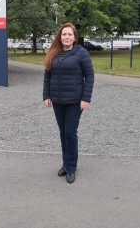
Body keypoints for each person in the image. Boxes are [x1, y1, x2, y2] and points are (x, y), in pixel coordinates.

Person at [43, 22, 94, 184]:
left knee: (70, 133)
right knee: (63, 133)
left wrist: (86, 98)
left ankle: (71, 167)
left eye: (69, 35)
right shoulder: (54, 53)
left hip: (74, 101)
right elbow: (47, 76)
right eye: (64, 34)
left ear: (74, 37)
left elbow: (90, 76)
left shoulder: (81, 53)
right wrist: (47, 95)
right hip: (57, 100)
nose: (66, 37)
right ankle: (65, 163)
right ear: (60, 36)